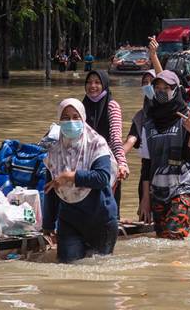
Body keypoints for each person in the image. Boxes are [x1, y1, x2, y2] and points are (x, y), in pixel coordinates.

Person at [43, 98, 118, 263]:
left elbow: (102, 178)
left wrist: (71, 176)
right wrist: (48, 224)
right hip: (70, 220)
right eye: (65, 117)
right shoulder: (54, 151)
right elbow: (50, 189)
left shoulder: (96, 144)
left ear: (83, 118)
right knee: (67, 266)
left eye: (75, 117)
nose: (71, 122)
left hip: (100, 218)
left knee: (98, 271)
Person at [140, 70, 190, 239]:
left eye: (166, 87)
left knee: (175, 235)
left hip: (183, 185)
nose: (161, 91)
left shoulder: (187, 117)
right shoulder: (149, 122)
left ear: (175, 89)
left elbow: (189, 156)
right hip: (158, 189)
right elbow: (146, 165)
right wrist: (145, 199)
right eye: (157, 87)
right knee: (162, 239)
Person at [123, 36, 163, 221]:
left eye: (151, 82)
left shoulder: (165, 111)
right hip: (147, 173)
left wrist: (153, 56)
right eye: (144, 83)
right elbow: (131, 140)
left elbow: (163, 79)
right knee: (145, 217)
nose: (148, 86)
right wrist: (117, 158)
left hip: (167, 172)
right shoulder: (140, 116)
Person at [83, 70, 129, 217]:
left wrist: (122, 163)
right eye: (89, 82)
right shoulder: (81, 106)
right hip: (86, 165)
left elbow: (116, 138)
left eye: (97, 82)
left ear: (104, 84)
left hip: (107, 165)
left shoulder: (112, 106)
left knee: (108, 211)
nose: (92, 86)